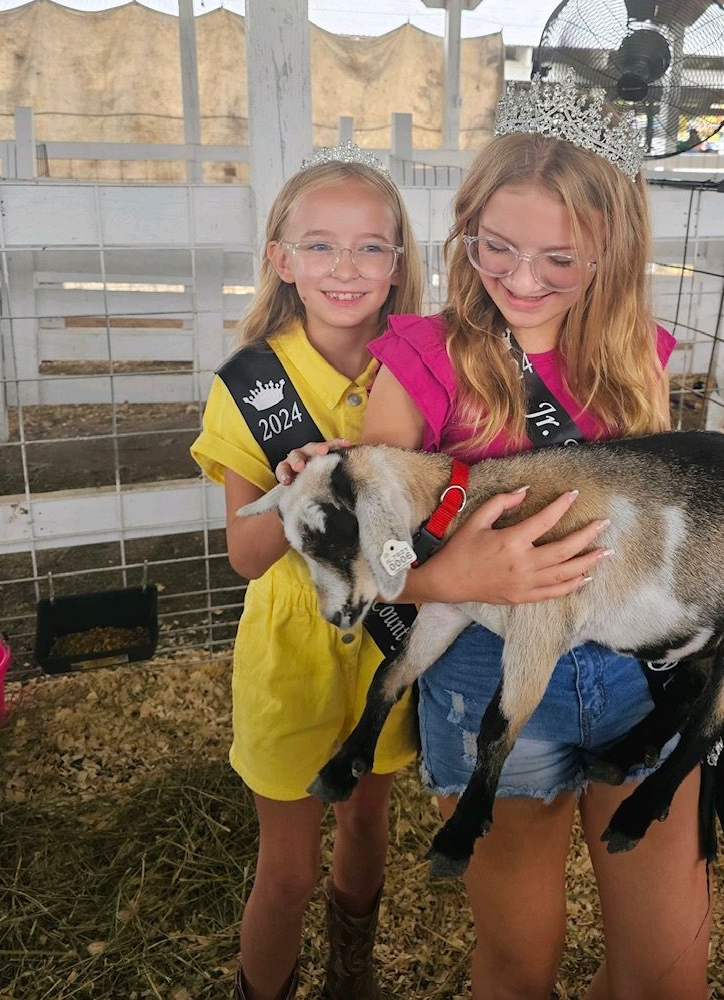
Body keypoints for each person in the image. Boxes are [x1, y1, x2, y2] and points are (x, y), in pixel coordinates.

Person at [348, 87, 724, 1000]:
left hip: (637, 681)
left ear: (609, 250)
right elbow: (363, 556)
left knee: (666, 974)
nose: (522, 277)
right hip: (488, 679)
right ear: (465, 229)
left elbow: (680, 544)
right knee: (515, 962)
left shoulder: (634, 361)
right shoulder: (416, 361)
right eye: (496, 246)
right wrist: (443, 573)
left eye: (558, 258)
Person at [192, 146, 600, 1000]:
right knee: (289, 868)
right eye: (320, 246)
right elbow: (244, 553)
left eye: (371, 247)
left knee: (368, 821)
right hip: (296, 650)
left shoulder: (425, 360)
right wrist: (293, 489)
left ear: (400, 262)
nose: (347, 268)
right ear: (281, 259)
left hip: (399, 638)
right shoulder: (250, 386)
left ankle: (352, 974)